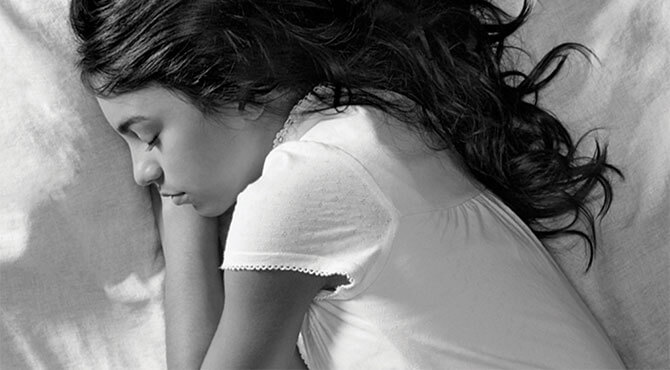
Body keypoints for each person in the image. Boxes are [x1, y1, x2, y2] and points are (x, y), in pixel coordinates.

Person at [70, 0, 626, 368]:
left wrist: (183, 205)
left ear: (230, 77)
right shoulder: (384, 126)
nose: (142, 172)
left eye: (148, 135)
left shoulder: (305, 185)